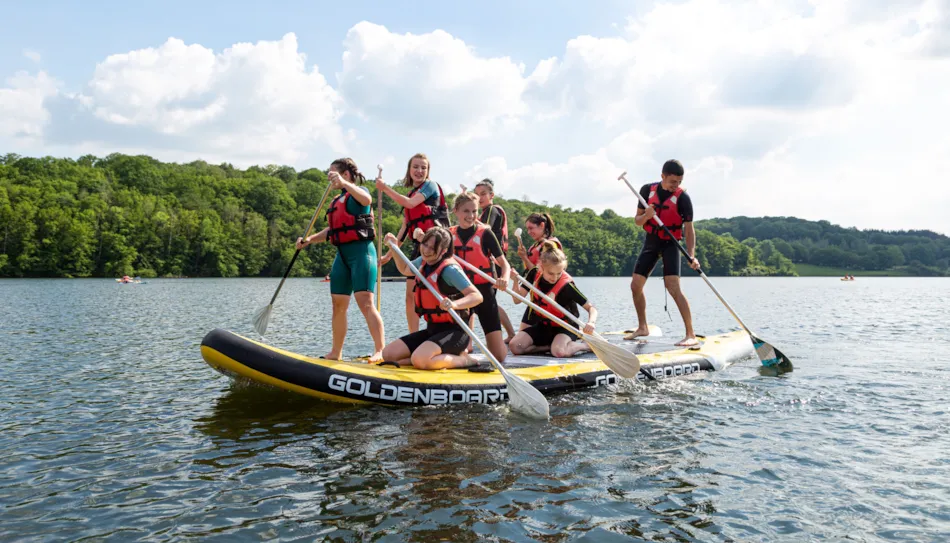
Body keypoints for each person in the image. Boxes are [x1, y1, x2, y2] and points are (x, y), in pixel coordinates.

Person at [295, 158, 386, 362]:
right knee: (338, 304)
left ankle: (380, 350)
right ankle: (336, 352)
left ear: (345, 174)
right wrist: (308, 240)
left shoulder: (358, 192)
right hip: (342, 256)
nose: (330, 179)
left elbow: (367, 200)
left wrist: (345, 184)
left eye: (333, 174)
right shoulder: (337, 200)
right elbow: (333, 230)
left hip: (362, 253)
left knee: (365, 302)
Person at [379, 227, 483, 370]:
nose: (426, 250)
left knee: (420, 360)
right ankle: (421, 358)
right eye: (425, 244)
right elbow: (404, 269)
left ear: (444, 250)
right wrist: (394, 247)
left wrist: (454, 304)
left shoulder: (450, 270)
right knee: (389, 354)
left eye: (433, 247)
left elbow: (477, 296)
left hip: (456, 333)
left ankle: (464, 360)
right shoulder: (423, 262)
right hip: (433, 330)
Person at [629, 159, 701, 347]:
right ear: (662, 176)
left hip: (671, 243)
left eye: (678, 182)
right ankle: (642, 327)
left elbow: (689, 230)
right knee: (635, 285)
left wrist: (692, 254)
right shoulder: (646, 191)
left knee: (673, 287)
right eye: (672, 182)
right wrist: (647, 215)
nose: (675, 186)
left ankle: (690, 334)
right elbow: (637, 221)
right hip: (652, 241)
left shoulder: (683, 198)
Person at [377, 153, 450, 333]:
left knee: (436, 293)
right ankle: (414, 336)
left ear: (428, 171)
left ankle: (446, 332)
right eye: (415, 167)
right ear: (409, 170)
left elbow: (410, 204)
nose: (419, 171)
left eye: (423, 168)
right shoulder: (411, 192)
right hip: (419, 247)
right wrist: (389, 255)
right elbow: (405, 227)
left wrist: (385, 189)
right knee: (410, 296)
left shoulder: (430, 186)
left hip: (436, 247)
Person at [449, 191, 512, 362]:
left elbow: (504, 264)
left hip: (484, 293)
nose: (471, 216)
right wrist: (419, 235)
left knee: (499, 355)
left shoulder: (485, 234)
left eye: (474, 211)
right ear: (456, 211)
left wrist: (504, 278)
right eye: (466, 211)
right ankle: (463, 353)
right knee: (457, 349)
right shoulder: (448, 235)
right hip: (460, 294)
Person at [508, 241, 597, 358]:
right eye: (551, 273)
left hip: (566, 327)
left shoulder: (567, 287)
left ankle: (586, 346)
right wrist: (515, 281)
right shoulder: (534, 274)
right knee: (515, 346)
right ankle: (549, 347)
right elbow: (517, 300)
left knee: (559, 352)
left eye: (559, 273)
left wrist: (591, 322)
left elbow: (591, 308)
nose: (555, 278)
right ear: (541, 267)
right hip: (544, 326)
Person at [473, 178, 517, 342]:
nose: (480, 198)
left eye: (483, 194)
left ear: (492, 195)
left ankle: (507, 335)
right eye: (476, 195)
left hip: (494, 262)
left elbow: (485, 228)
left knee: (486, 302)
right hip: (486, 262)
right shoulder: (483, 211)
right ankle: (511, 333)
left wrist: (467, 215)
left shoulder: (492, 210)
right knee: (485, 302)